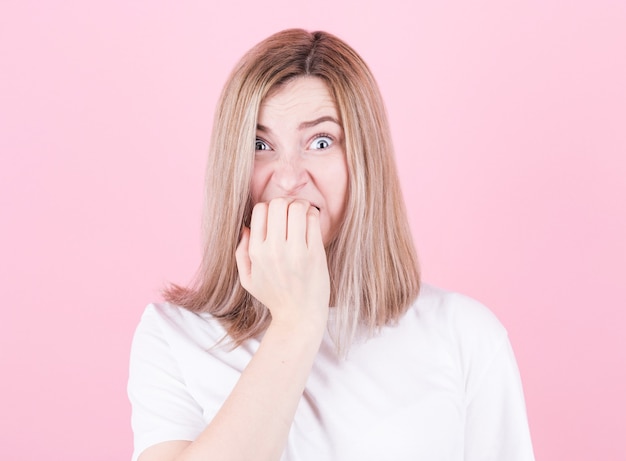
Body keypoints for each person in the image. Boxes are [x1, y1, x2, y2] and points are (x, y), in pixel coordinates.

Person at [128, 29, 535, 461]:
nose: (287, 178)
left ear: (364, 161)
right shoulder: (173, 336)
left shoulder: (463, 334)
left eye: (321, 142)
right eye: (259, 144)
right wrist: (296, 322)